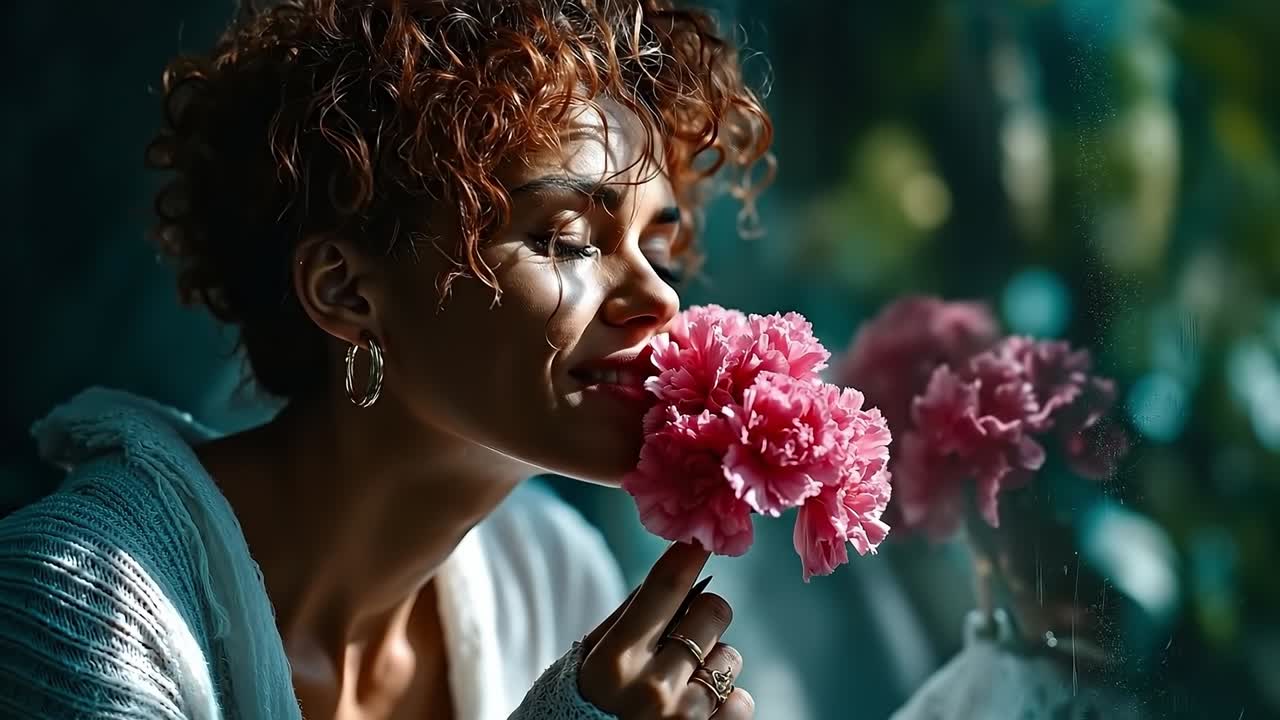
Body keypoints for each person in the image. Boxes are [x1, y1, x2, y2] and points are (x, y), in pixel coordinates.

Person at [0, 1, 772, 718]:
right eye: (567, 240)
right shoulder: (77, 603)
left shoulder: (552, 574)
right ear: (346, 292)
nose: (662, 300)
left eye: (660, 248)